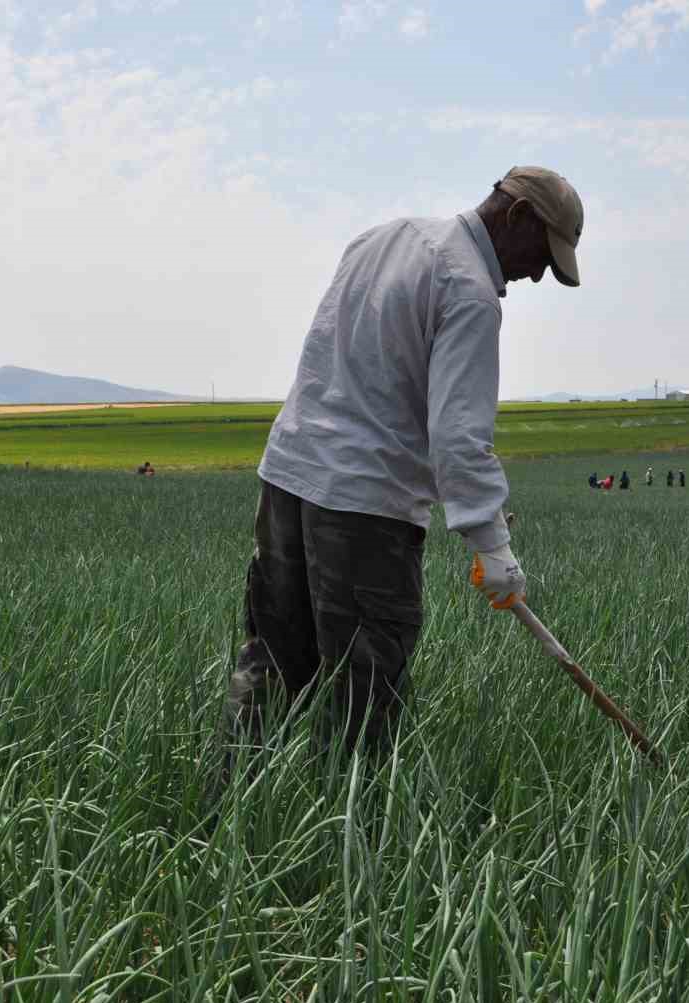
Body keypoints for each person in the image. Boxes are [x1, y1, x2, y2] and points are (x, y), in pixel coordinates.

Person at [214, 165, 585, 793]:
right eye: (542, 256)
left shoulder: (381, 239)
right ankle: (347, 854)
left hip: (289, 477)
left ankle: (230, 815)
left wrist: (470, 510)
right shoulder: (468, 291)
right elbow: (459, 435)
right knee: (365, 696)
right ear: (518, 217)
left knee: (271, 667)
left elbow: (373, 380)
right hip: (364, 511)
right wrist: (492, 547)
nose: (536, 275)